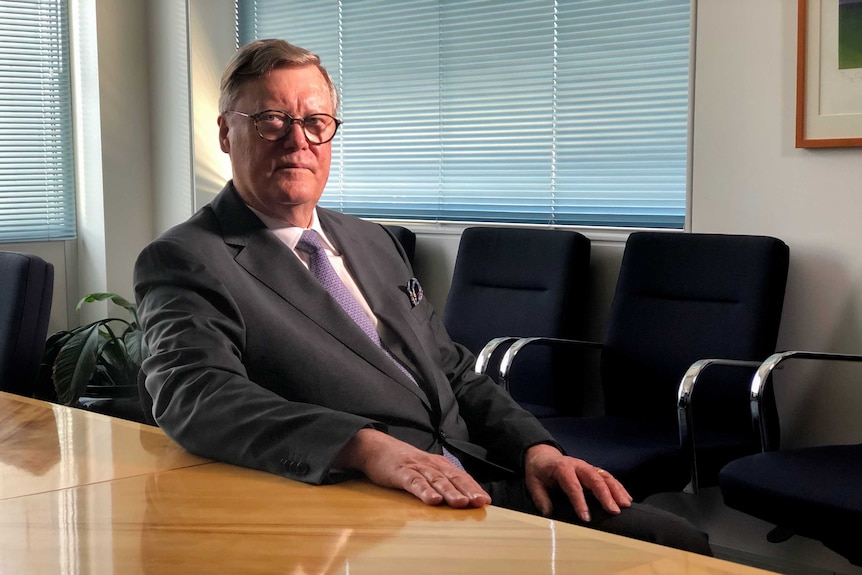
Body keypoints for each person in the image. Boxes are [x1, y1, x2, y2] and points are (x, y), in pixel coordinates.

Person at [134, 38, 710, 555]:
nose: (298, 140)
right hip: (365, 508)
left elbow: (453, 369)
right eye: (271, 120)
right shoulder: (188, 257)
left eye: (315, 121)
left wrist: (537, 450)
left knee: (673, 543)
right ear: (224, 133)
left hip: (479, 475)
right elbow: (197, 394)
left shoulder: (370, 240)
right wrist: (364, 448)